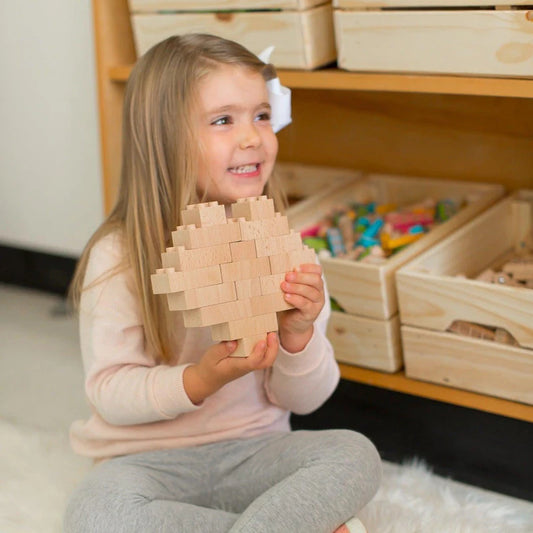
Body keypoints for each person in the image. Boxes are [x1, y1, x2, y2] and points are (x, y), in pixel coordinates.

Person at [64, 33, 381, 533]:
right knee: (98, 513)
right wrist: (200, 380)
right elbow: (109, 392)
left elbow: (306, 401)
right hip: (149, 463)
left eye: (260, 115)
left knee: (354, 453)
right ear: (164, 140)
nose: (254, 136)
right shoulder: (119, 256)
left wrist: (298, 337)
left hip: (255, 451)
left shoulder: (282, 246)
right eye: (222, 120)